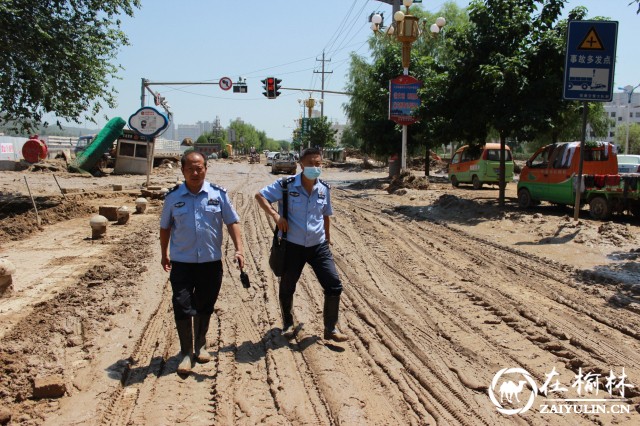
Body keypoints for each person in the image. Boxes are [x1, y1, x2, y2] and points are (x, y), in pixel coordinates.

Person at [160, 151, 245, 374]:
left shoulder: (218, 194)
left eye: (199, 168)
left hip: (210, 262)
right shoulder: (173, 197)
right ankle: (186, 352)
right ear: (183, 171)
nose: (195, 172)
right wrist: (164, 253)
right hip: (182, 262)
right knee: (181, 303)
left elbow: (232, 222)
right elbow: (165, 227)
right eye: (190, 169)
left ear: (206, 169)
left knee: (205, 304)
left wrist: (239, 249)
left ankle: (200, 345)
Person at [255, 147, 348, 342]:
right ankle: (288, 324)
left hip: (318, 246)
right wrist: (275, 216)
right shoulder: (286, 185)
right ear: (301, 165)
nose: (315, 167)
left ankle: (330, 328)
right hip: (293, 246)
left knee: (334, 285)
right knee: (287, 286)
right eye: (311, 164)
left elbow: (325, 215)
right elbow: (260, 196)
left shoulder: (324, 188)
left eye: (318, 164)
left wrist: (328, 238)